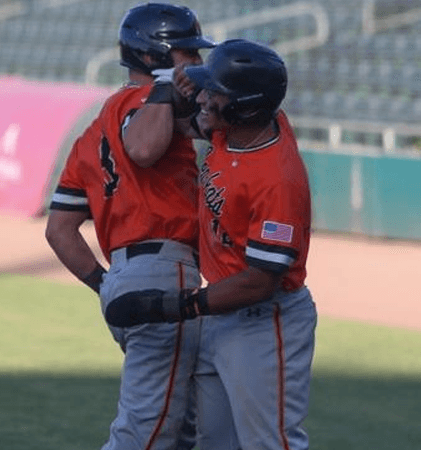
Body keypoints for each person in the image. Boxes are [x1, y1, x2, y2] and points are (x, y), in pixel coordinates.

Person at [103, 39, 317, 450]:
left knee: (270, 443)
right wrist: (184, 81)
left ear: (242, 108)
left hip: (263, 320)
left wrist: (175, 306)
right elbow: (192, 119)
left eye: (213, 92)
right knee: (215, 441)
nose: (203, 98)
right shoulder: (239, 129)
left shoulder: (277, 181)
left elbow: (261, 280)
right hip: (220, 313)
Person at [45, 3, 214, 450]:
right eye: (187, 53)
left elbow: (59, 230)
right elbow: (141, 148)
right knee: (145, 436)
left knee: (184, 433)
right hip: (164, 270)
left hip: (125, 278)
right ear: (155, 57)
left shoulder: (91, 132)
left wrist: (107, 285)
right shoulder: (152, 105)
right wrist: (167, 94)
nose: (196, 62)